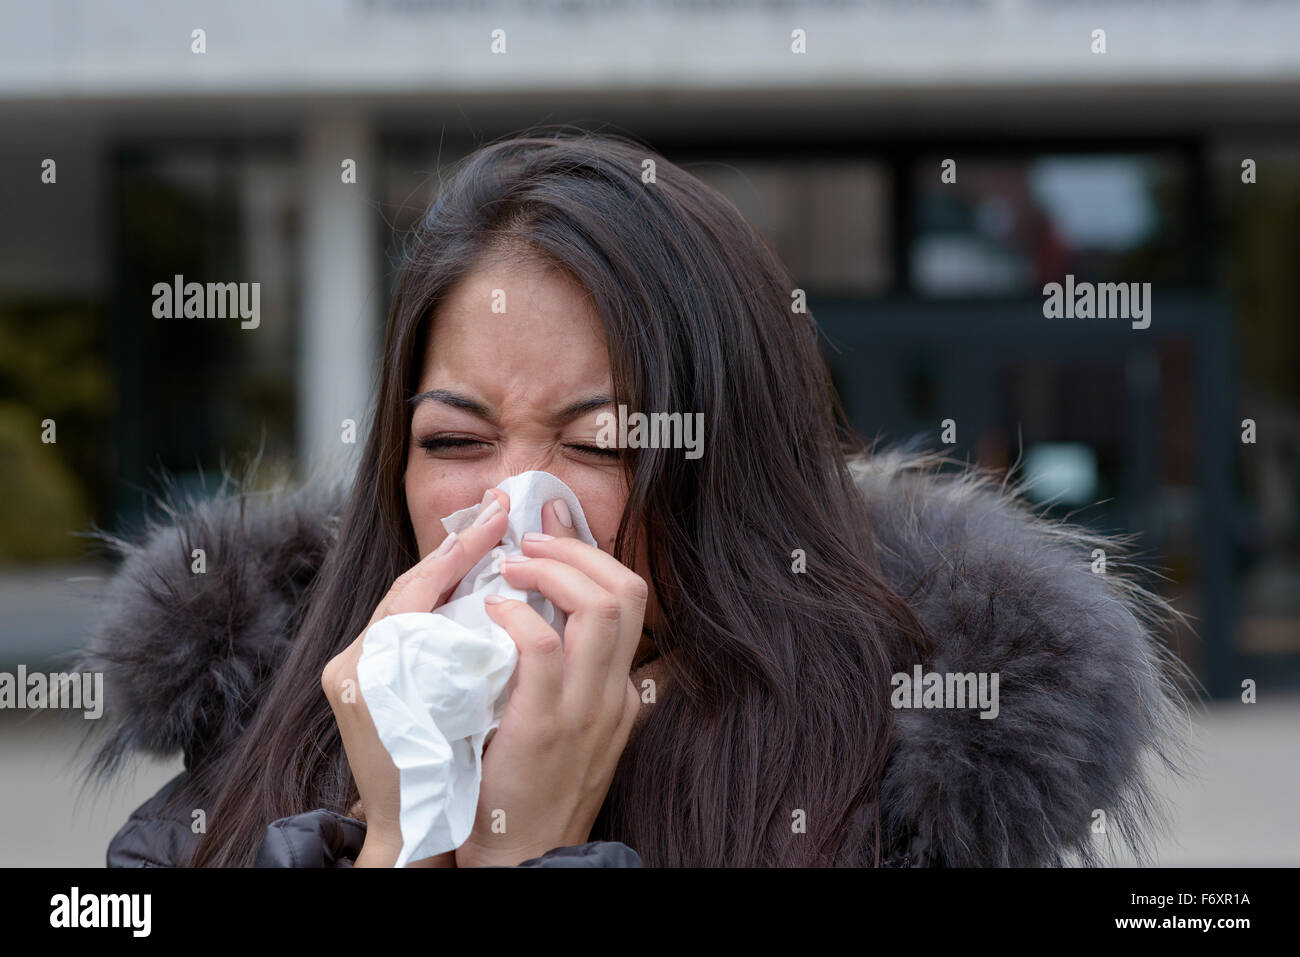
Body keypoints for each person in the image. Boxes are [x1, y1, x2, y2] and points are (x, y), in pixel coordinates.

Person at [77, 127, 1193, 867]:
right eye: (456, 437)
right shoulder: (232, 778)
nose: (513, 508)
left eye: (602, 445)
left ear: (731, 478)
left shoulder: (898, 802)